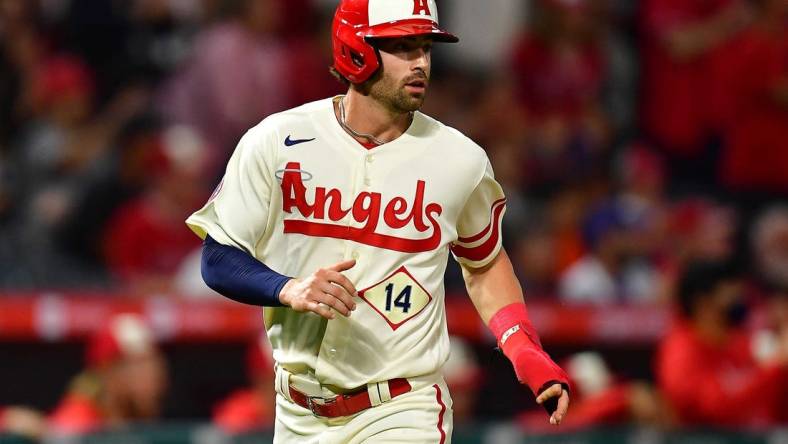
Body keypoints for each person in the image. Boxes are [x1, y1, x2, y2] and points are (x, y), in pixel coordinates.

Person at [185, 0, 570, 442]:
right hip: (297, 412)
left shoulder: (459, 159)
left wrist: (523, 347)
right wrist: (287, 288)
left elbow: (483, 262)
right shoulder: (277, 141)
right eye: (403, 48)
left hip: (404, 407)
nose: (420, 62)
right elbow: (217, 258)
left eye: (425, 47)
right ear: (356, 50)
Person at [655, 260, 788, 426]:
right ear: (703, 303)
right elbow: (714, 411)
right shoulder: (681, 352)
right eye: (731, 296)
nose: (740, 304)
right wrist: (778, 367)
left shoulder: (739, 342)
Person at [48, 313, 168, 436]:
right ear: (107, 372)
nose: (153, 377)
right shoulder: (77, 421)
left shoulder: (138, 422)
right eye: (138, 365)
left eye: (153, 363)